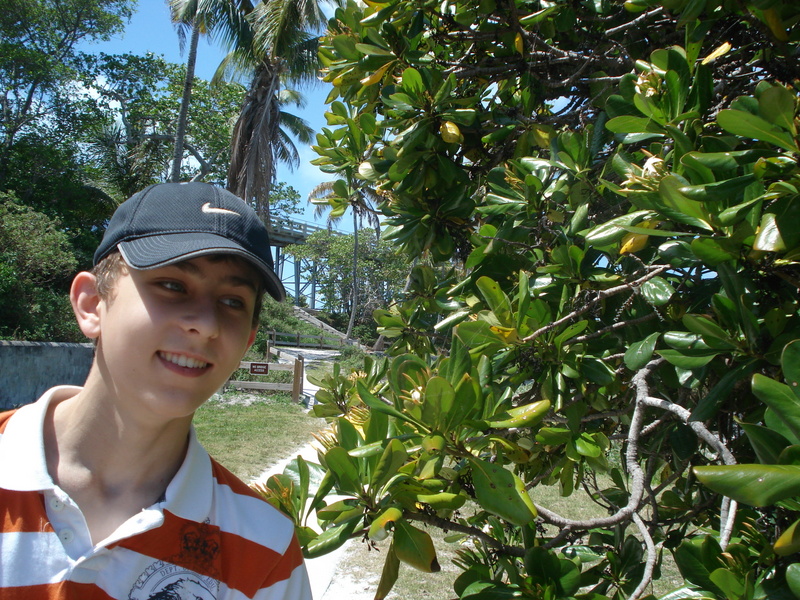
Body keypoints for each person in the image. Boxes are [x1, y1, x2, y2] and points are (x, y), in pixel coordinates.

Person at [0, 182, 312, 599]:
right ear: (92, 304)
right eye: (173, 285)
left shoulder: (267, 551)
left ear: (249, 340)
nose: (205, 324)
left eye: (233, 301)